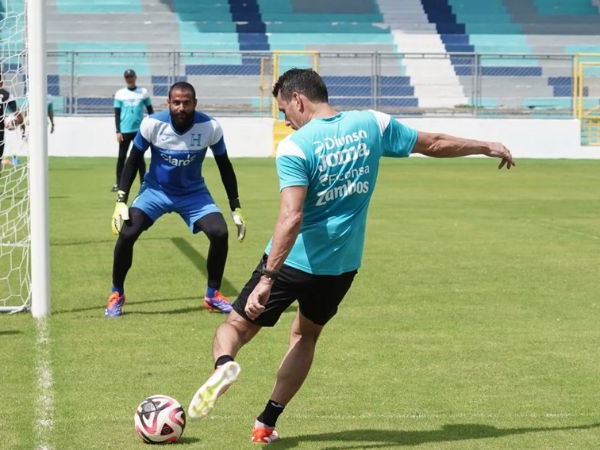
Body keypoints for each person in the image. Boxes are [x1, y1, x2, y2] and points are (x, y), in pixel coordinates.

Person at [186, 68, 516, 443]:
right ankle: (266, 422)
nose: (285, 121)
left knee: (234, 328)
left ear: (299, 100)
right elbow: (435, 142)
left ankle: (225, 366)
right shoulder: (372, 124)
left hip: (292, 262)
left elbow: (291, 217)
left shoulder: (296, 147)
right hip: (340, 268)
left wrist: (267, 278)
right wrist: (486, 146)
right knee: (306, 336)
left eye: (283, 111)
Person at [107, 81, 247, 318]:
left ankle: (212, 294)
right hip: (155, 191)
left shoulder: (210, 127)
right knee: (128, 233)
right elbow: (133, 160)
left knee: (219, 233)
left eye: (186, 102)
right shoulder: (153, 124)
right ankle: (116, 293)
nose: (181, 107)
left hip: (193, 194)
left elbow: (225, 166)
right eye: (176, 103)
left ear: (195, 103)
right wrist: (121, 199)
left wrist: (236, 206)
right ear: (168, 103)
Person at [112, 69, 152, 192]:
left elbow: (150, 111)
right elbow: (117, 114)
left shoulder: (143, 92)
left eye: (131, 76)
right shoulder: (120, 94)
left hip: (139, 130)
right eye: (127, 77)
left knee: (139, 157)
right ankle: (118, 183)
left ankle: (143, 182)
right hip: (124, 130)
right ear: (125, 78)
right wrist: (118, 131)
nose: (129, 78)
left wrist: (152, 126)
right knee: (122, 157)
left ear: (135, 77)